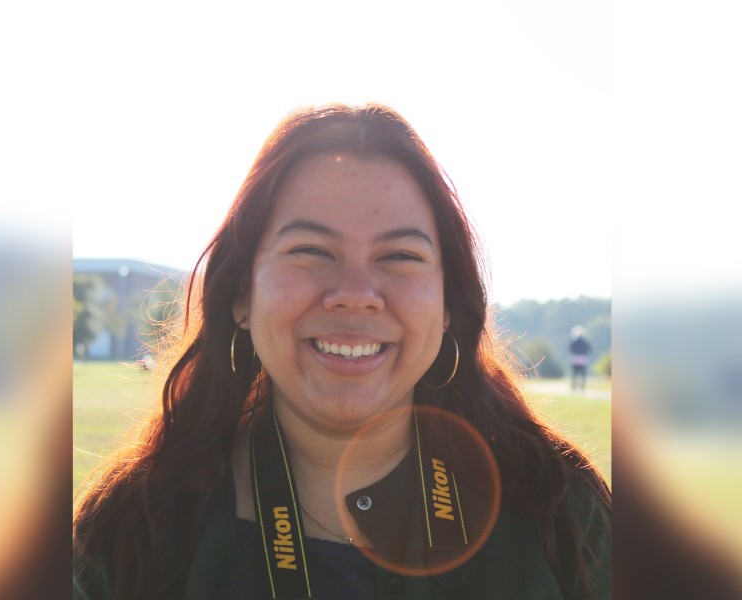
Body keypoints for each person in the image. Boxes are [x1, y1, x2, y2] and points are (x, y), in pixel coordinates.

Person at [73, 103, 611, 599]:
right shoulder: (130, 531)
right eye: (310, 250)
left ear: (448, 304)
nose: (355, 293)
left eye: (400, 256)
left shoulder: (559, 511)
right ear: (242, 293)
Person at [569, 326, 592, 393]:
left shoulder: (574, 341)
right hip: (582, 358)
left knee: (574, 373)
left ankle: (574, 386)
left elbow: (570, 348)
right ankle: (582, 387)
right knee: (583, 373)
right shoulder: (584, 341)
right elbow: (588, 348)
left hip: (575, 357)